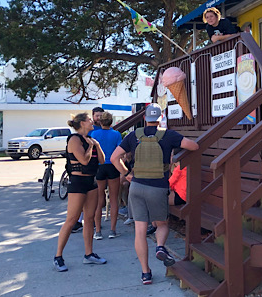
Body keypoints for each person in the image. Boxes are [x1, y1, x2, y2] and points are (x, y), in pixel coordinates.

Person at [111, 103, 199, 285]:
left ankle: (145, 273)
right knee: (162, 224)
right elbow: (194, 146)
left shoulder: (133, 136)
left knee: (140, 231)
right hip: (158, 187)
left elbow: (113, 158)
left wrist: (127, 174)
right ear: (161, 118)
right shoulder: (168, 135)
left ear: (144, 119)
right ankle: (160, 247)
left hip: (136, 187)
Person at [53, 113, 107, 272]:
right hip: (77, 182)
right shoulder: (74, 140)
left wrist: (97, 145)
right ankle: (58, 256)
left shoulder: (90, 140)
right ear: (82, 123)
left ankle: (89, 254)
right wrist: (91, 146)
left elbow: (103, 160)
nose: (93, 122)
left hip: (91, 181)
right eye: (90, 120)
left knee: (89, 218)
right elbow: (83, 160)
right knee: (72, 219)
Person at [91, 111, 123, 240]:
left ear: (100, 122)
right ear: (111, 122)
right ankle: (112, 230)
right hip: (113, 166)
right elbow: (120, 151)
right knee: (114, 198)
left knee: (99, 200)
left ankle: (98, 231)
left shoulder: (94, 134)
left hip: (99, 166)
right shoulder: (116, 134)